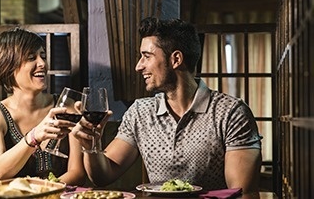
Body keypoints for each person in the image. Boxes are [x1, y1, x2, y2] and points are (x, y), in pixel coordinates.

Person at [72, 17, 263, 195]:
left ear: (176, 59)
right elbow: (103, 176)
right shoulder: (140, 112)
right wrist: (92, 147)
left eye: (146, 56)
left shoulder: (231, 112)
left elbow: (241, 193)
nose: (139, 66)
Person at [0, 28, 86, 185]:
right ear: (7, 66)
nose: (42, 63)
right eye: (31, 58)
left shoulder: (67, 108)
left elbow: (77, 172)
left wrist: (45, 191)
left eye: (42, 56)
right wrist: (33, 137)